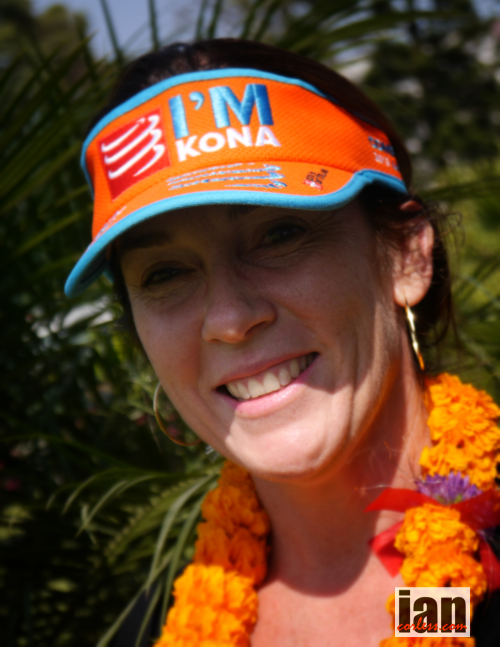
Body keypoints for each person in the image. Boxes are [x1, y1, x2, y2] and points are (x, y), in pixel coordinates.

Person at [65, 39, 500, 646]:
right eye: (165, 273)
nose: (229, 319)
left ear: (405, 256)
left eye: (280, 234)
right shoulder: (153, 629)